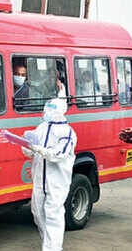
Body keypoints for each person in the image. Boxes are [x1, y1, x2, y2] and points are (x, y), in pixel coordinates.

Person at [21, 98, 77, 251]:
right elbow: (30, 152)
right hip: (39, 179)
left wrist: (39, 149)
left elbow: (58, 155)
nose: (46, 112)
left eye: (50, 109)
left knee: (53, 215)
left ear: (59, 111)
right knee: (37, 212)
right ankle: (48, 245)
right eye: (46, 108)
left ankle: (53, 248)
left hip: (57, 181)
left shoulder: (67, 132)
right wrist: (26, 144)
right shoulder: (42, 127)